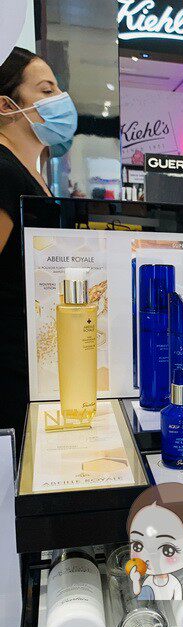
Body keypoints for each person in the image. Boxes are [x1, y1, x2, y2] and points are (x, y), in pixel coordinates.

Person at [0, 47, 77, 444]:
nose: (60, 100)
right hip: (9, 370)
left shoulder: (32, 173)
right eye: (47, 91)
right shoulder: (3, 171)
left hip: (34, 362)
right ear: (6, 106)